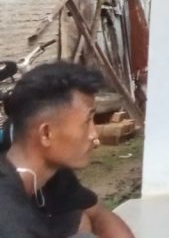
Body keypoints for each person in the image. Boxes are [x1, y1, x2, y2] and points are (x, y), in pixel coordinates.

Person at [0, 61, 135, 238]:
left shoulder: (50, 172)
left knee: (77, 220)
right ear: (46, 133)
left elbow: (97, 212)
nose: (94, 136)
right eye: (87, 122)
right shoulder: (11, 221)